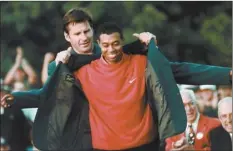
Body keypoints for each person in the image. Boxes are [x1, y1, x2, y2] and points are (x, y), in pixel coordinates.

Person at [0, 7, 232, 150]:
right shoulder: (63, 67)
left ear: (95, 32)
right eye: (77, 33)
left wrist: (226, 74)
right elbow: (45, 96)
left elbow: (178, 70)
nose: (83, 38)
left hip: (143, 141)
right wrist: (15, 98)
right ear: (67, 37)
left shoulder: (124, 55)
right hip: (87, 144)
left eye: (87, 31)